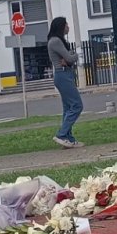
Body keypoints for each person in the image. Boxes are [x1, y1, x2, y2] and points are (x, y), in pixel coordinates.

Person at [47, 17, 84, 149]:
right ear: (61, 26)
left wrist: (68, 58)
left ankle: (68, 139)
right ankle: (62, 135)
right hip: (63, 75)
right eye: (66, 24)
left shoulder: (57, 41)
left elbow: (67, 59)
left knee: (68, 108)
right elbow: (70, 58)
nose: (68, 26)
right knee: (77, 105)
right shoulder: (55, 41)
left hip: (64, 74)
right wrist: (74, 55)